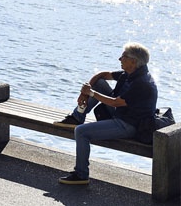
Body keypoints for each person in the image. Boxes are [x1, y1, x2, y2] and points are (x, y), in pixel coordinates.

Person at [53, 42, 158, 186]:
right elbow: (101, 75)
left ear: (133, 61)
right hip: (122, 114)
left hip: (130, 125)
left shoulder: (142, 83)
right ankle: (77, 117)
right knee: (100, 83)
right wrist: (85, 92)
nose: (120, 59)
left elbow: (116, 103)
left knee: (81, 132)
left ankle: (81, 175)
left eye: (123, 56)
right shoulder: (129, 73)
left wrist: (91, 93)